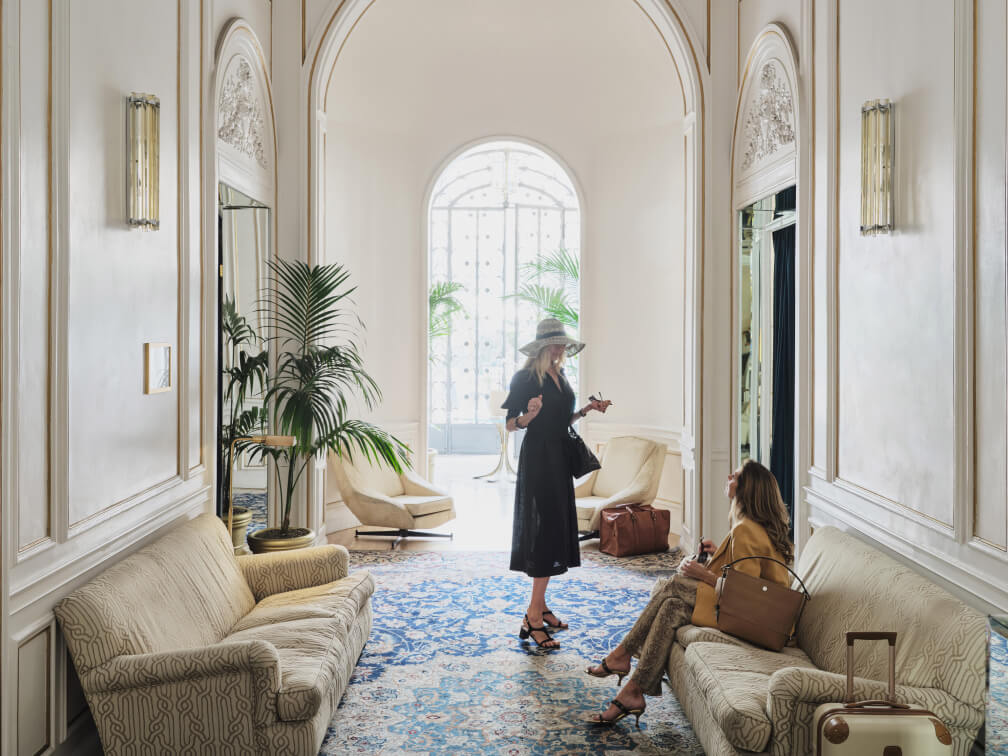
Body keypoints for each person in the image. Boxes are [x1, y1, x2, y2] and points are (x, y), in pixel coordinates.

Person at [585, 459, 793, 724]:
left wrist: (701, 573)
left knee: (672, 585)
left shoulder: (746, 529)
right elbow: (749, 576)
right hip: (757, 616)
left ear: (747, 489)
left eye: (736, 476)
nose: (729, 475)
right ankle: (633, 692)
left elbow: (744, 595)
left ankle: (622, 655)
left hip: (759, 623)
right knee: (671, 606)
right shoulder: (749, 527)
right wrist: (719, 553)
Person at [501, 318, 611, 649]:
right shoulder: (525, 378)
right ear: (542, 347)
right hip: (538, 461)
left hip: (559, 458)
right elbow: (509, 424)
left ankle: (542, 606)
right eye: (555, 343)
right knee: (544, 533)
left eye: (562, 343)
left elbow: (563, 420)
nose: (560, 348)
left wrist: (587, 410)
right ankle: (532, 617)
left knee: (555, 528)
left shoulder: (560, 376)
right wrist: (529, 416)